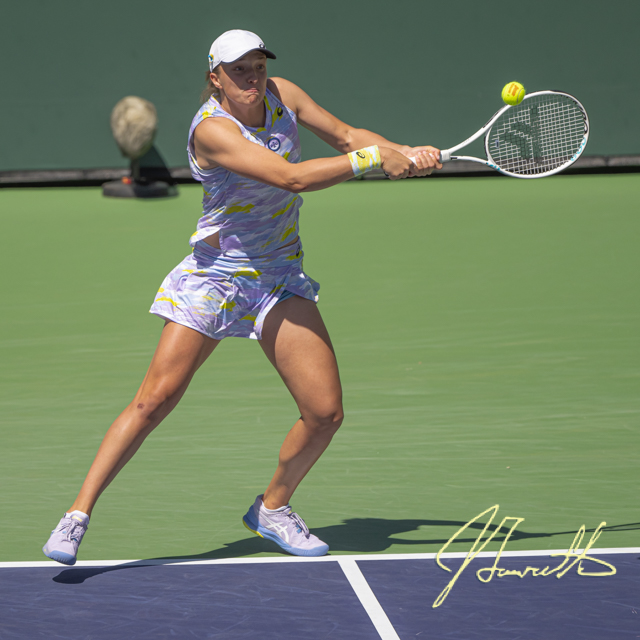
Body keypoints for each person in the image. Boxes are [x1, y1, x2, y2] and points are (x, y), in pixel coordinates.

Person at [43, 29, 442, 565]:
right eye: (238, 70)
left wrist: (401, 150)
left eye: (257, 65)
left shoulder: (284, 95)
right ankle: (76, 516)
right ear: (215, 78)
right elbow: (291, 178)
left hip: (278, 276)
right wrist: (373, 159)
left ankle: (273, 509)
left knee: (324, 413)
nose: (252, 77)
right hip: (215, 278)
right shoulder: (212, 130)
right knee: (153, 401)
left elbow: (347, 135)